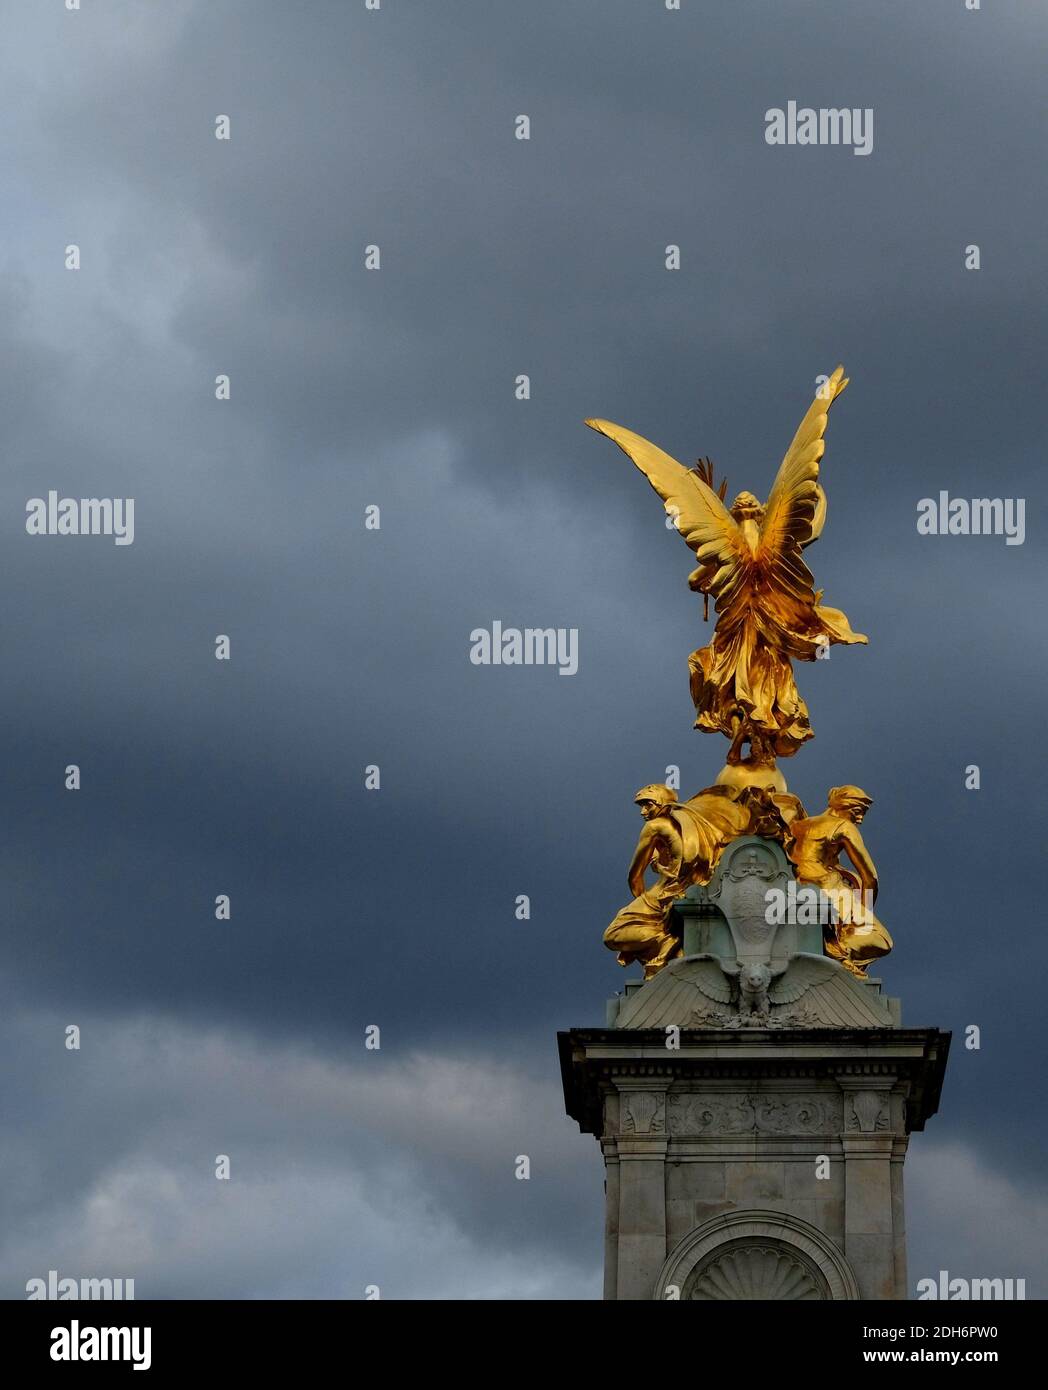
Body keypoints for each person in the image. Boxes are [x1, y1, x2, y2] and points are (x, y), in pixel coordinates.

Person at [786, 785, 892, 976]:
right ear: (842, 806)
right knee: (881, 938)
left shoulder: (801, 824)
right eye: (857, 812)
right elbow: (871, 876)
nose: (859, 819)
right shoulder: (843, 826)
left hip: (794, 883)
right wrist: (864, 911)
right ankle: (837, 951)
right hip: (826, 885)